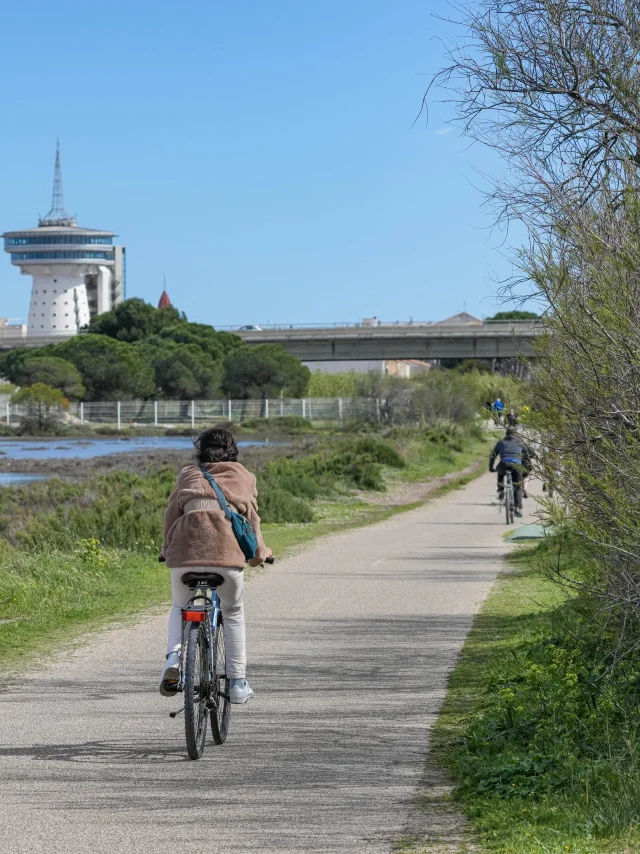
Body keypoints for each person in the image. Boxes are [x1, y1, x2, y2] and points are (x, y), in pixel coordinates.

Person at [159, 427, 271, 703]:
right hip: (226, 556)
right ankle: (236, 683)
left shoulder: (187, 474)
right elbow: (252, 521)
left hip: (184, 554)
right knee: (233, 612)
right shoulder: (243, 475)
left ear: (201, 450)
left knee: (180, 607)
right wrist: (260, 554)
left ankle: (174, 659)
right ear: (232, 451)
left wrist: (165, 550)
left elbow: (171, 516)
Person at [489, 427, 530, 517]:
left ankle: (500, 489)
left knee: (500, 472)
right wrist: (527, 467)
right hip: (517, 465)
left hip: (504, 464)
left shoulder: (501, 442)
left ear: (506, 434)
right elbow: (526, 456)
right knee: (518, 487)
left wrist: (491, 467)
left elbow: (493, 455)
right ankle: (517, 508)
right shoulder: (520, 442)